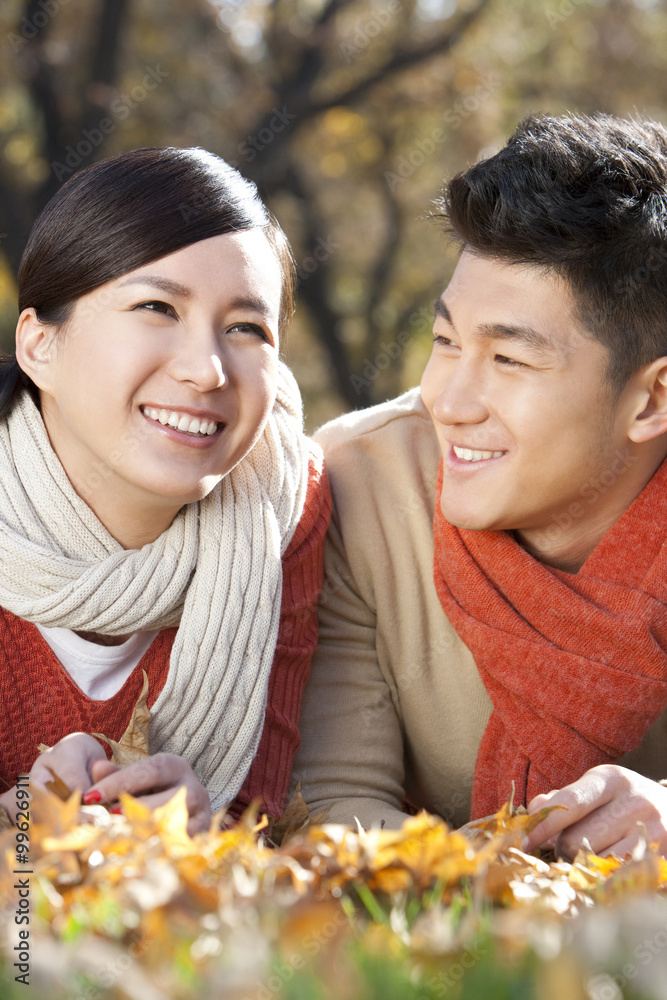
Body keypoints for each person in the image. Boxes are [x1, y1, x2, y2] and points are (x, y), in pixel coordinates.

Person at [293, 112, 667, 860]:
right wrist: (506, 894)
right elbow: (335, 803)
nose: (447, 399)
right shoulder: (359, 484)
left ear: (650, 401)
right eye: (445, 342)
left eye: (508, 360)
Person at [0, 146, 330, 835]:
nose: (207, 370)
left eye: (246, 328)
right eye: (156, 306)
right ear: (39, 347)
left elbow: (261, 818)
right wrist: (18, 828)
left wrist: (205, 819)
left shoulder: (284, 499)